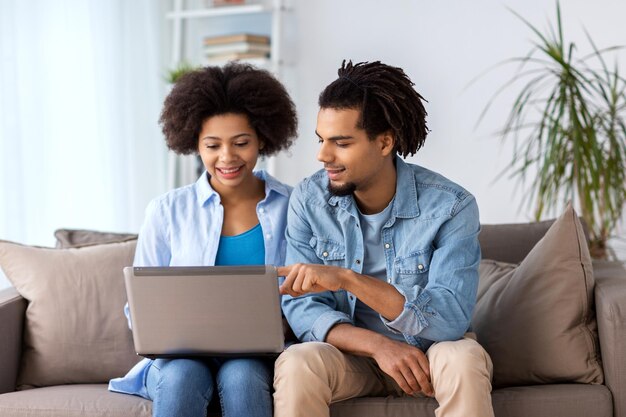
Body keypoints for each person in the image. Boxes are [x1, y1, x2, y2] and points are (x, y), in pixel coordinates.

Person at [274, 60, 494, 417]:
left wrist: (347, 279)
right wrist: (379, 346)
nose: (322, 155)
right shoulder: (310, 201)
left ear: (384, 143)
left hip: (431, 354)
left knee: (464, 357)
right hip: (353, 358)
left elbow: (450, 318)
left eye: (341, 142)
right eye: (321, 140)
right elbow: (302, 308)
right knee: (300, 361)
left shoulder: (451, 206)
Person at [109, 62, 298, 417]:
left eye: (241, 143)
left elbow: (310, 293)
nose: (227, 157)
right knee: (182, 376)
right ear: (194, 143)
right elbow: (138, 307)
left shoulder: (293, 207)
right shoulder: (166, 211)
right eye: (212, 145)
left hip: (256, 356)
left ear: (263, 138)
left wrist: (284, 324)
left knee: (242, 376)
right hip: (179, 358)